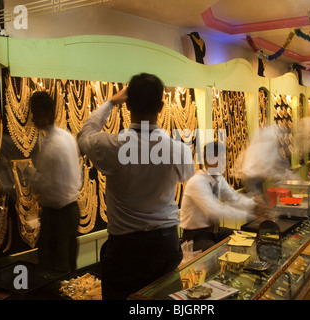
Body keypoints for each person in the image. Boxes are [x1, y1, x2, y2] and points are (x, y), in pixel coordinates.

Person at [77, 73, 195, 300]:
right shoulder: (179, 151)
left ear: (128, 104)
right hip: (165, 244)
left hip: (125, 249)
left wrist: (111, 102)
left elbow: (84, 134)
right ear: (161, 107)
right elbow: (186, 174)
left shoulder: (110, 146)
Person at [28, 91, 82, 273]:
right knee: (67, 261)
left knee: (54, 266)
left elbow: (44, 184)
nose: (33, 119)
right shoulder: (66, 137)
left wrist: (27, 173)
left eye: (35, 114)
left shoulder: (52, 146)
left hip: (58, 215)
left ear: (46, 115)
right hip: (71, 210)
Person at [179, 141, 258, 252]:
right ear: (207, 159)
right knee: (217, 252)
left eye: (223, 158)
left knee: (243, 237)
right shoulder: (197, 182)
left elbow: (234, 198)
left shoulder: (218, 179)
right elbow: (215, 210)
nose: (222, 162)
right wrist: (251, 215)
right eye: (219, 158)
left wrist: (255, 205)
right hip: (195, 236)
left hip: (213, 231)